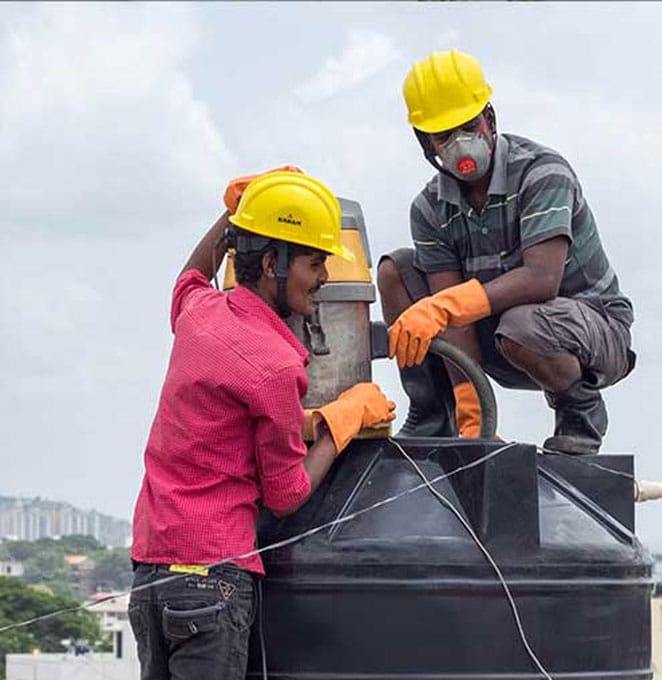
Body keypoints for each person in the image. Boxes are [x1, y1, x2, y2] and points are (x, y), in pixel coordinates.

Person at [129, 170, 396, 680]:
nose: (322, 277)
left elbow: (189, 277)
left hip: (151, 574)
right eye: (314, 262)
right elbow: (286, 494)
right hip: (214, 582)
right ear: (273, 262)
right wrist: (343, 420)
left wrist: (237, 212)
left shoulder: (199, 313)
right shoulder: (276, 365)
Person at [378, 49, 635, 455]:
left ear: (490, 119)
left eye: (468, 126)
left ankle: (578, 410)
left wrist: (445, 306)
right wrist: (474, 420)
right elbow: (453, 317)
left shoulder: (542, 171)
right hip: (499, 336)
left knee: (520, 322)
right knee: (398, 271)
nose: (460, 144)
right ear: (427, 144)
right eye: (444, 136)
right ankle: (438, 414)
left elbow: (541, 279)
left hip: (589, 333)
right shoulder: (429, 209)